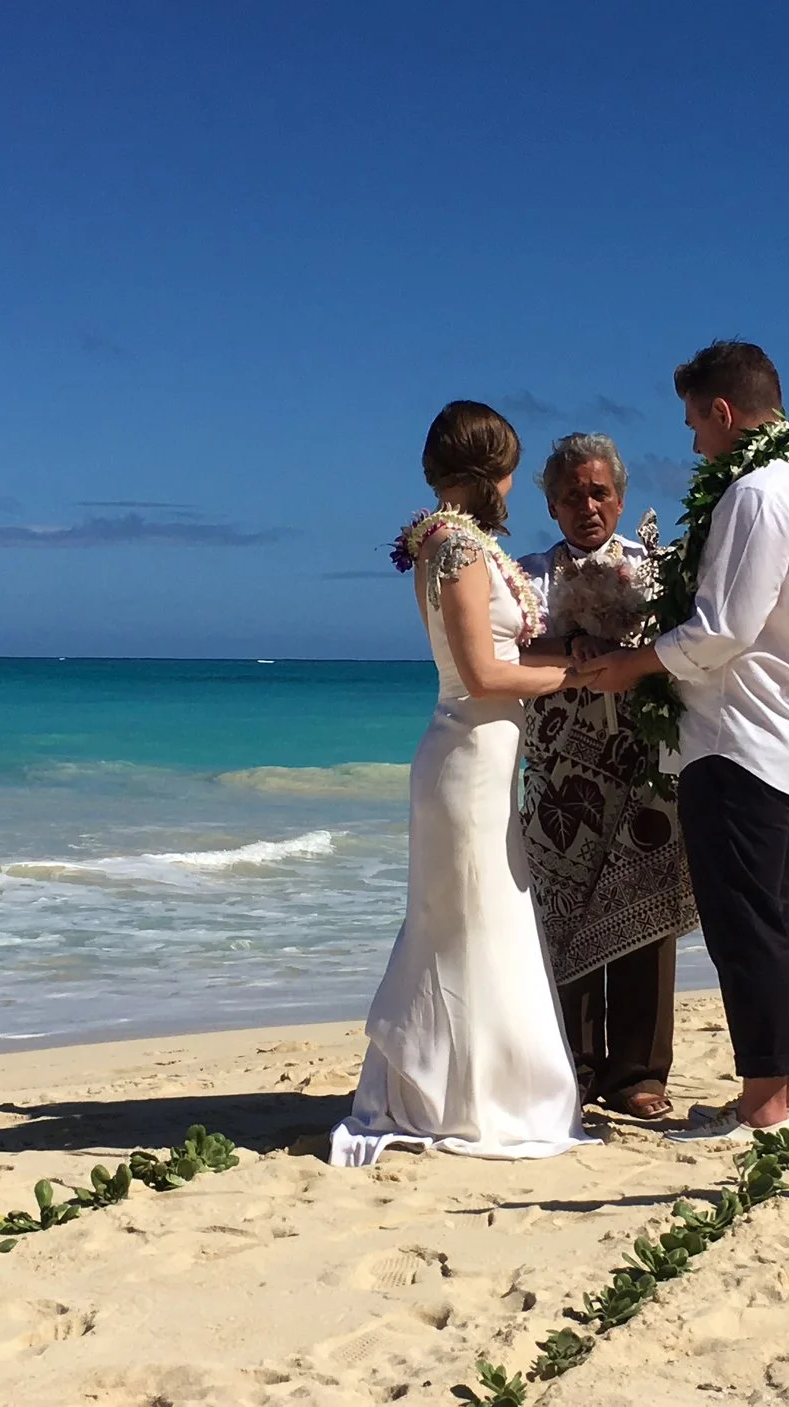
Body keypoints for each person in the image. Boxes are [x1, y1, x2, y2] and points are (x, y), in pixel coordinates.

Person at [572, 341, 789, 1141]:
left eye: (696, 423)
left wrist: (632, 664)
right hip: (788, 730)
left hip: (740, 737)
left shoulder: (757, 493)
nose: (695, 443)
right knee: (773, 914)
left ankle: (763, 1101)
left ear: (724, 413)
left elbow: (721, 629)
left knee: (745, 925)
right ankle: (782, 1091)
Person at [329, 401, 592, 1168]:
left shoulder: (446, 541)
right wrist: (575, 676)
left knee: (478, 923)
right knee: (472, 926)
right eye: (510, 470)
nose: (513, 484)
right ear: (490, 473)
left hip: (476, 760)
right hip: (469, 758)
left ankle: (464, 1087)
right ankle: (471, 1098)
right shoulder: (460, 550)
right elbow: (483, 674)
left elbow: (501, 649)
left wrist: (562, 650)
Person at [515, 432, 698, 1122]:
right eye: (571, 496)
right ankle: (574, 1065)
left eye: (598, 492)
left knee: (643, 909)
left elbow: (686, 646)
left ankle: (639, 1075)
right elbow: (504, 648)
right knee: (560, 913)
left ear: (620, 498)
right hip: (559, 774)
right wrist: (570, 644)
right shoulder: (529, 577)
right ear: (552, 506)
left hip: (644, 766)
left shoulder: (657, 571)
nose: (586, 506)